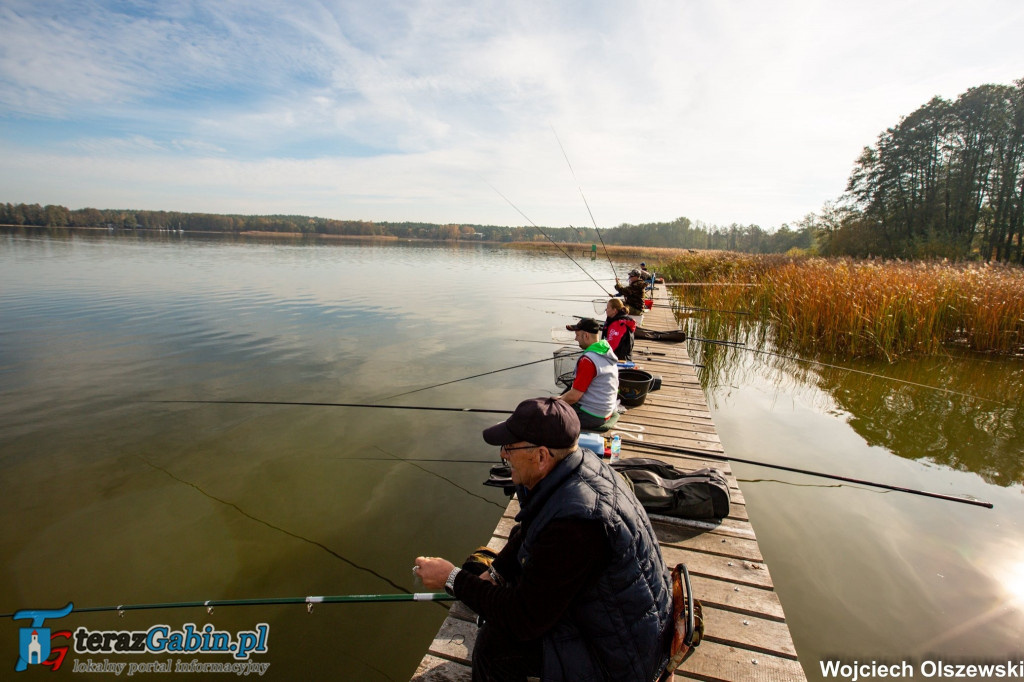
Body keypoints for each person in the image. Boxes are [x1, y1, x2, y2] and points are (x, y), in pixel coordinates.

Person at [414, 397, 673, 682]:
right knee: (490, 577)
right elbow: (529, 529)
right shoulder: (580, 465)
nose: (503, 455)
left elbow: (523, 619)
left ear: (541, 456)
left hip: (622, 661)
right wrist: (495, 572)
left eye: (510, 448)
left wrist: (451, 578)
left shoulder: (576, 526)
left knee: (496, 646)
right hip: (623, 625)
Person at [560, 317, 619, 430]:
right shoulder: (605, 350)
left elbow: (574, 397)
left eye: (577, 335)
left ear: (586, 335)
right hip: (606, 409)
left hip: (592, 415)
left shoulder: (588, 360)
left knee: (547, 417)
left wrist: (554, 403)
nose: (576, 339)